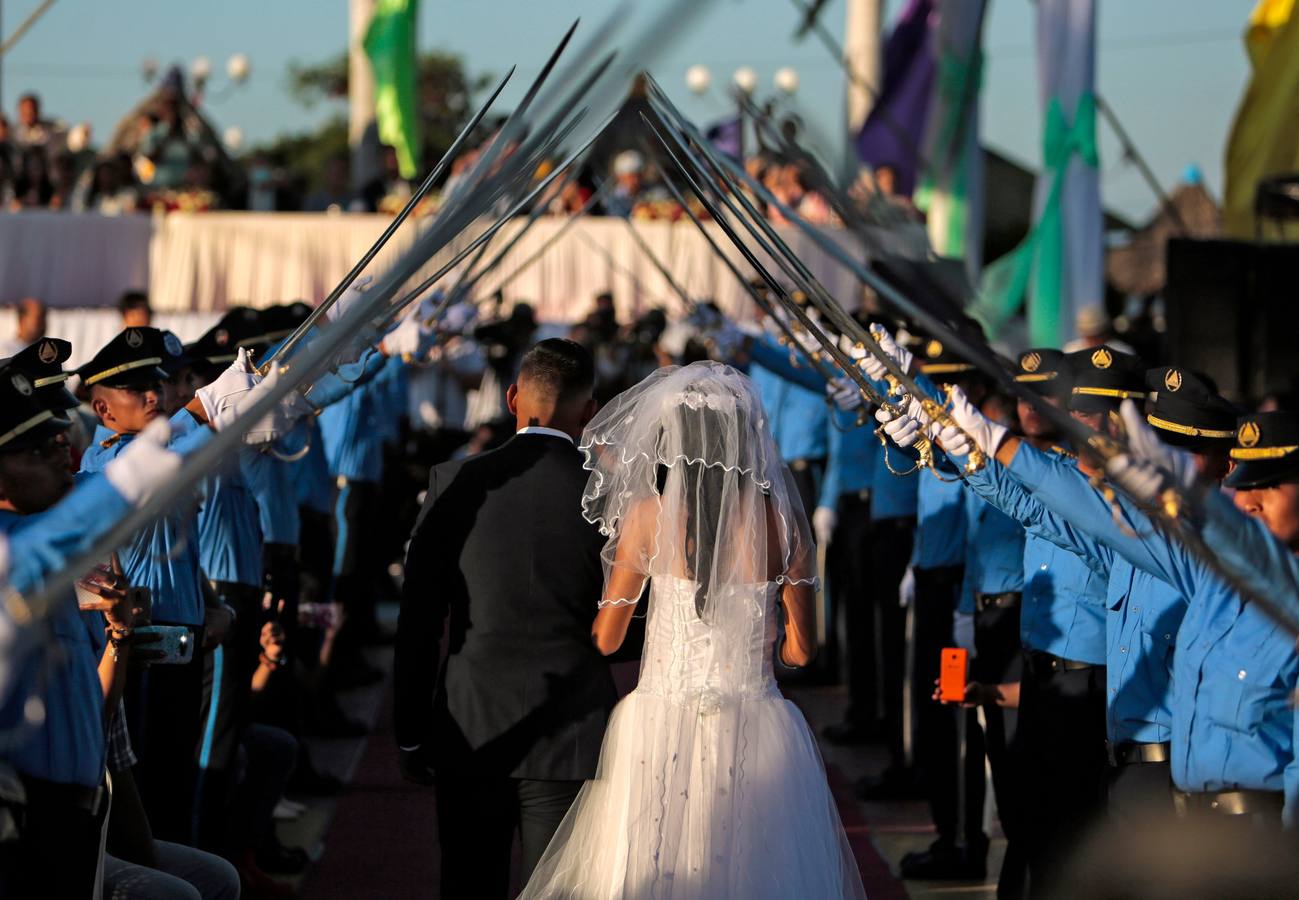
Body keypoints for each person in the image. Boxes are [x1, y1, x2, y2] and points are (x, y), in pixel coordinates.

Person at [519, 360, 866, 899]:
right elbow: (801, 651)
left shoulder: (647, 516)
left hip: (658, 722)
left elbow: (607, 639)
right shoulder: (780, 523)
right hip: (757, 725)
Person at [395, 338, 616, 899]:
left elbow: (420, 617)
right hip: (573, 724)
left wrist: (411, 731)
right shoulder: (608, 492)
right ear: (590, 410)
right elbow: (628, 625)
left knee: (470, 884)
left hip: (470, 720)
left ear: (513, 397)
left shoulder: (454, 480)